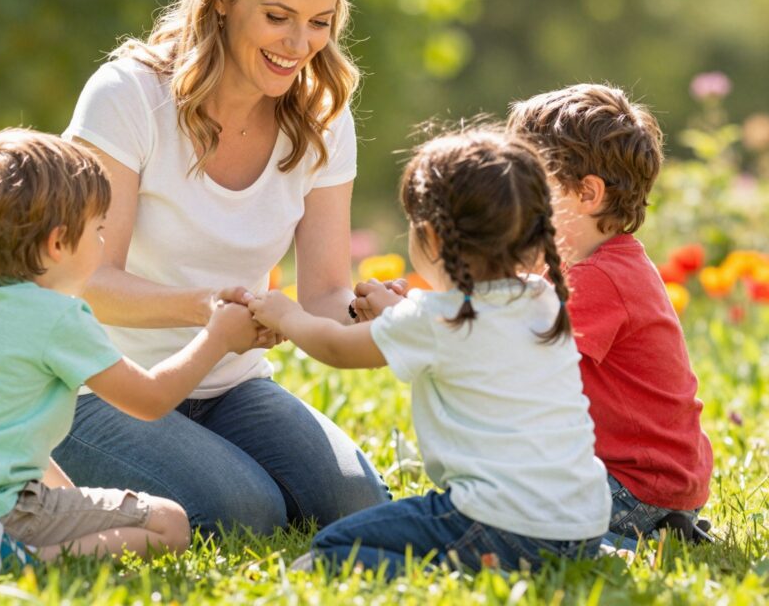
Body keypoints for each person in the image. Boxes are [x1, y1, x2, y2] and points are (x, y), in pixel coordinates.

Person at [53, 0, 390, 536]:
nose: (300, 45)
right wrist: (208, 311)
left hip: (228, 384)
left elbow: (321, 291)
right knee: (246, 512)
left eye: (320, 21)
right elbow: (87, 284)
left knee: (356, 504)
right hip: (98, 385)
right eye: (278, 16)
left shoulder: (322, 117)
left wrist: (366, 317)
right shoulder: (128, 95)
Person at [0, 129, 258, 568]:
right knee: (169, 524)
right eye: (98, 229)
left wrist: (74, 505)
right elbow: (150, 399)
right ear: (58, 243)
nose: (103, 243)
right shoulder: (56, 316)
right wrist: (219, 337)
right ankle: (23, 558)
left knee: (76, 505)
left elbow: (19, 451)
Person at [250, 127, 611, 576]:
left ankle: (464, 572)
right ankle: (530, 561)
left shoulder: (434, 321)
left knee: (334, 545)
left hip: (496, 520)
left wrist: (286, 315)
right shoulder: (540, 297)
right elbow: (459, 334)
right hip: (583, 524)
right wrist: (395, 313)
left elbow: (338, 348)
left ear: (433, 239)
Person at [508, 84, 713, 540]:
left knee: (500, 500)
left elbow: (511, 352)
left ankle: (617, 541)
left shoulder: (599, 278)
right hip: (656, 482)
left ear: (587, 194)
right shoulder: (600, 263)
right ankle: (659, 529)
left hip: (634, 488)